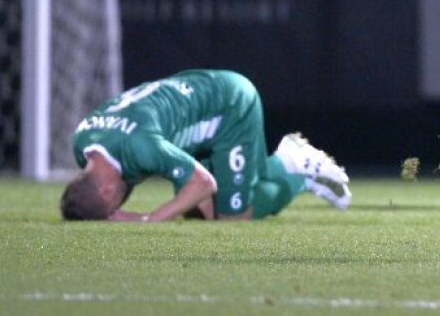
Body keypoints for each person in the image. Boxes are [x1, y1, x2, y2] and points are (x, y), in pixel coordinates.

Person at [60, 69, 351, 222]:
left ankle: (294, 169)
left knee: (232, 217)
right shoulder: (83, 142)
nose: (116, 211)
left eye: (111, 208)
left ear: (106, 190)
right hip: (193, 104)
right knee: (199, 212)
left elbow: (204, 183)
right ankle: (266, 171)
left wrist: (148, 219)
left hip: (229, 106)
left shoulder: (141, 146)